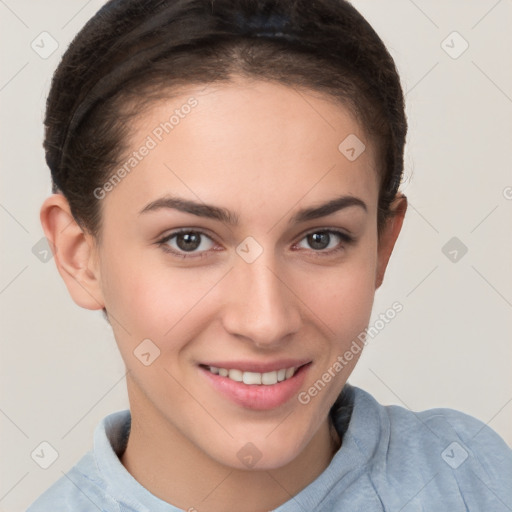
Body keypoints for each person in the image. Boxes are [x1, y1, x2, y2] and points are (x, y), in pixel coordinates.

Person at [27, 0, 512, 510]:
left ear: (382, 245)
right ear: (79, 256)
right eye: (188, 240)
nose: (266, 322)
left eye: (321, 238)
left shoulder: (474, 479)